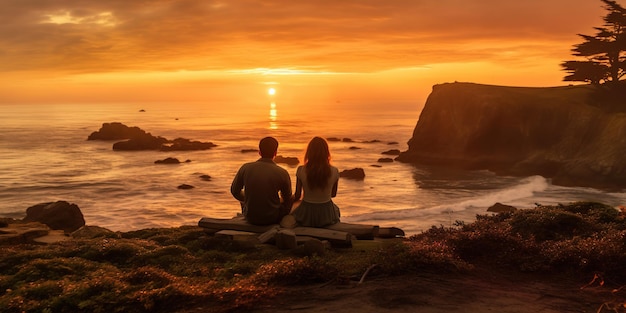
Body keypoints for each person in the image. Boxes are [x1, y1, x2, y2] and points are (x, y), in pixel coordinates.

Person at [231, 137, 293, 225]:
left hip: (250, 217)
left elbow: (234, 191)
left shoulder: (245, 168)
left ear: (259, 152)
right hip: (272, 218)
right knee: (292, 200)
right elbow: (287, 199)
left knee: (244, 197)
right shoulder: (282, 173)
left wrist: (248, 199)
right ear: (275, 153)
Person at [291, 136, 341, 227]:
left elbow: (297, 195)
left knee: (294, 210)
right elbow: (333, 195)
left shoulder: (301, 170)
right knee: (337, 209)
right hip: (326, 214)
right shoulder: (334, 171)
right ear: (326, 153)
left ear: (309, 152)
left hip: (307, 213)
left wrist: (285, 200)